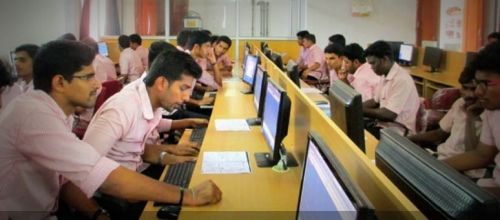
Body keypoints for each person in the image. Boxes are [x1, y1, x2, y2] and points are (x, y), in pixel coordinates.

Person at [0, 40, 221, 220]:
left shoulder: (56, 114)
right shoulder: (34, 115)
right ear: (59, 82)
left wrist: (166, 156)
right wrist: (188, 195)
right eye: (88, 77)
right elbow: (103, 177)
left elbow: (71, 176)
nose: (98, 84)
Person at [443, 41, 500, 196]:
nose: (479, 93)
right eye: (478, 83)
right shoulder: (493, 109)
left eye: (486, 83)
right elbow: (481, 155)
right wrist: (434, 169)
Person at [409, 65, 486, 178]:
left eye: (473, 89)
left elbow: (475, 155)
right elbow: (440, 133)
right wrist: (410, 138)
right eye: (465, 88)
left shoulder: (489, 115)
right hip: (440, 158)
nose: (469, 95)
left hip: (463, 172)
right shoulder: (460, 103)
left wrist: (470, 117)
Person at [362, 41, 420, 137]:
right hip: (383, 125)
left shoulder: (401, 79)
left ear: (385, 60)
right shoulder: (385, 75)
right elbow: (375, 101)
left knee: (357, 135)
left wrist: (361, 110)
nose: (371, 68)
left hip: (399, 131)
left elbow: (389, 114)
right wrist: (356, 106)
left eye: (373, 63)